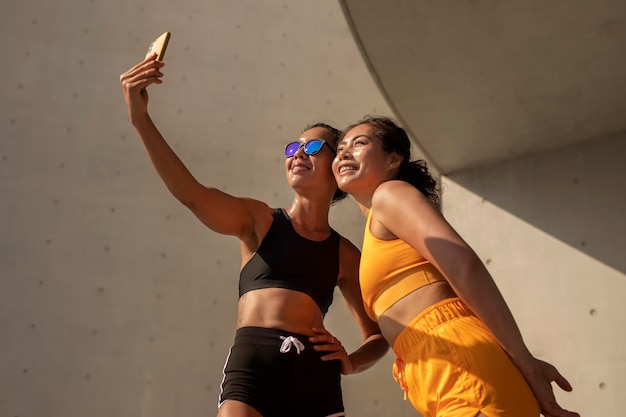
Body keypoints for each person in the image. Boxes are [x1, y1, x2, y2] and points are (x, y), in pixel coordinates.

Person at [119, 55, 388, 417]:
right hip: (253, 366)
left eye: (311, 148)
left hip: (315, 374)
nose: (297, 155)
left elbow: (378, 335)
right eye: (292, 148)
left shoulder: (343, 254)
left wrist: (351, 362)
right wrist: (140, 119)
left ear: (336, 164)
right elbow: (192, 194)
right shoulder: (258, 220)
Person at [332, 115, 579, 417]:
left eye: (359, 143)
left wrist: (525, 361)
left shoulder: (390, 194)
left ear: (393, 159)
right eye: (341, 147)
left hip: (460, 364)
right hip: (438, 372)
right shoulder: (378, 224)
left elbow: (463, 265)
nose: (344, 152)